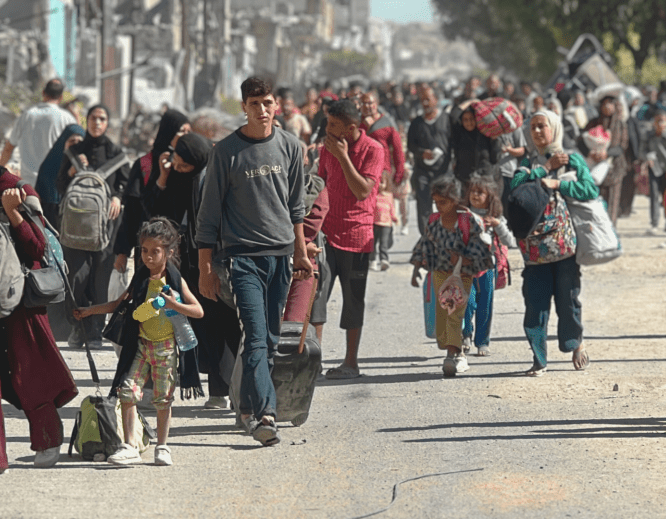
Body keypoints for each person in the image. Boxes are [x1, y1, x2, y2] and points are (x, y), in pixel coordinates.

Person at [197, 77, 312, 446]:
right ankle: (265, 413)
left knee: (271, 338)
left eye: (267, 102)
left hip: (280, 255)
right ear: (243, 108)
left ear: (276, 104)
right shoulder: (226, 152)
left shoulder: (292, 147)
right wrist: (205, 268)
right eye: (254, 104)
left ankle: (245, 405)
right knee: (257, 336)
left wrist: (301, 252)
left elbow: (296, 207)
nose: (262, 110)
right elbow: (209, 214)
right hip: (241, 257)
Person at [74, 217, 203, 466]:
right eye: (144, 251)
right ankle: (130, 445)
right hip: (141, 347)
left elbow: (198, 311)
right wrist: (88, 311)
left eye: (155, 251)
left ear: (169, 252)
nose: (148, 257)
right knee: (127, 393)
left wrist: (174, 304)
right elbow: (117, 305)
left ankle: (163, 447)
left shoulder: (175, 281)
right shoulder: (140, 280)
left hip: (165, 349)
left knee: (162, 399)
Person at [0, 167, 78, 470]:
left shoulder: (17, 189)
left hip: (22, 305)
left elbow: (38, 247)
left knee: (31, 376)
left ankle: (48, 437)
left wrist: (12, 212)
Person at [511, 110, 598, 376]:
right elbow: (514, 189)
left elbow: (590, 189)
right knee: (534, 304)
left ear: (555, 128)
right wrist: (544, 170)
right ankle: (539, 359)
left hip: (564, 248)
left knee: (567, 301)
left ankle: (575, 343)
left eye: (542, 126)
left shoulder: (571, 159)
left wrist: (558, 183)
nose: (537, 131)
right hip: (534, 250)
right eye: (533, 127)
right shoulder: (526, 163)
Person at [317, 99, 384, 379]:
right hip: (326, 235)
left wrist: (344, 157)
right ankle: (312, 361)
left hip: (357, 237)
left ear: (350, 128)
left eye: (334, 125)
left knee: (353, 300)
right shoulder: (326, 150)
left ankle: (350, 362)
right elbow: (319, 185)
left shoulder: (373, 150)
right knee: (316, 298)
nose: (327, 129)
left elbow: (361, 191)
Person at [57, 104, 130, 349]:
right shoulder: (74, 151)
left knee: (100, 280)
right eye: (93, 118)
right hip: (76, 229)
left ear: (107, 123)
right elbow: (59, 186)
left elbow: (127, 185)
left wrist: (118, 196)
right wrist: (69, 173)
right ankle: (78, 327)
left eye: (102, 118)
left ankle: (96, 331)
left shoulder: (116, 153)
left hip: (106, 230)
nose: (97, 123)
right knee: (76, 279)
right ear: (86, 121)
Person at [410, 176, 493, 376]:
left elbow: (481, 249)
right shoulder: (434, 221)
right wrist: (416, 269)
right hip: (439, 274)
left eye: (443, 202)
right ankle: (456, 352)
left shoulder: (468, 220)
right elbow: (425, 244)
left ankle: (453, 355)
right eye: (436, 202)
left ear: (455, 199)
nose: (439, 206)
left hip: (462, 276)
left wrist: (465, 259)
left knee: (454, 313)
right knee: (442, 316)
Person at [113, 109, 190, 274]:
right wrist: (123, 252)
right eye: (182, 131)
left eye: (188, 132)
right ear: (169, 132)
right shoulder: (144, 165)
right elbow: (131, 213)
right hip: (148, 250)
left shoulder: (188, 166)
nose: (186, 136)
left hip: (179, 249)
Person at [461, 174, 516, 356]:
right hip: (466, 267)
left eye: (480, 192)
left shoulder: (496, 218)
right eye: (473, 192)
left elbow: (510, 240)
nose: (475, 195)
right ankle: (465, 334)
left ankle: (482, 342)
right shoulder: (463, 216)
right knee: (467, 302)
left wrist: (498, 225)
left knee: (485, 304)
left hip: (487, 268)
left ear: (490, 197)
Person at [0, 78, 76, 186]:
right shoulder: (67, 119)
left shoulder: (27, 115)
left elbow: (8, 149)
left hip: (29, 186)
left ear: (43, 93)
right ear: (61, 97)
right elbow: (77, 146)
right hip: (54, 186)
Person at [407, 87, 452, 234]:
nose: (425, 103)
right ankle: (427, 239)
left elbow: (454, 143)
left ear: (436, 100)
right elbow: (410, 146)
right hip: (422, 172)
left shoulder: (447, 120)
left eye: (428, 99)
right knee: (424, 207)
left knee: (447, 205)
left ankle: (447, 237)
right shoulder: (416, 123)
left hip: (444, 171)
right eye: (422, 100)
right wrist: (421, 153)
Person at [582, 95, 628, 226]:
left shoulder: (621, 125)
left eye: (610, 104)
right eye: (604, 104)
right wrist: (590, 152)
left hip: (615, 167)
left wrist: (606, 153)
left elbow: (622, 147)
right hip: (595, 168)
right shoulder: (593, 123)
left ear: (615, 106)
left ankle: (611, 231)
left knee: (613, 200)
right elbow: (581, 141)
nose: (607, 107)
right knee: (596, 200)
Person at [34, 124, 85, 228]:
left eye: (79, 142)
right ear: (63, 143)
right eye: (72, 141)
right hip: (53, 218)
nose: (75, 145)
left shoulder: (88, 163)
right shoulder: (49, 165)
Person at [450, 104, 500, 189]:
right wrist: (471, 101)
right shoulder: (458, 136)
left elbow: (495, 159)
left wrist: (494, 140)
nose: (469, 122)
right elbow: (452, 117)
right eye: (465, 120)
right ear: (461, 121)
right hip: (464, 182)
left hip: (484, 182)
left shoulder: (486, 135)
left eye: (471, 119)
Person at [642, 111, 666, 233]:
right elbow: (642, 150)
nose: (660, 123)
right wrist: (647, 157)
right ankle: (654, 223)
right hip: (654, 170)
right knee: (654, 196)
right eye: (658, 121)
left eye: (663, 120)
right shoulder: (648, 136)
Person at [370, 170, 398, 271]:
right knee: (372, 244)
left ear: (387, 183)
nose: (380, 184)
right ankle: (372, 261)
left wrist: (394, 218)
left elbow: (392, 208)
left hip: (386, 224)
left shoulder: (389, 196)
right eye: (378, 182)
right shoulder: (373, 195)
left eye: (382, 182)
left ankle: (384, 260)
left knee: (384, 243)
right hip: (374, 223)